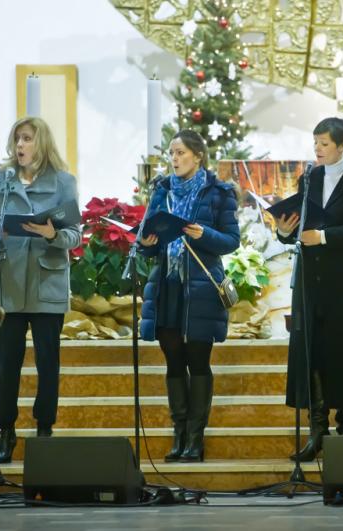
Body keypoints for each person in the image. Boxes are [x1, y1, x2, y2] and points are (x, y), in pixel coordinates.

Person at [276, 117, 343, 461]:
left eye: (324, 144)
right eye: (315, 143)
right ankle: (317, 430)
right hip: (311, 278)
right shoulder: (309, 178)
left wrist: (323, 237)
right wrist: (284, 231)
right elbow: (299, 227)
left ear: (342, 145)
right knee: (313, 350)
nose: (318, 149)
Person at [0, 117, 81, 463]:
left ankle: (44, 428)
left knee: (47, 364)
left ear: (41, 143)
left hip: (46, 283)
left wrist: (53, 234)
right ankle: (5, 430)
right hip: (9, 284)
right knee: (6, 364)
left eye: (26, 138)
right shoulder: (4, 180)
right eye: (17, 139)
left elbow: (75, 235)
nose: (20, 145)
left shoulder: (63, 181)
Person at [139, 129, 240, 462]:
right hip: (167, 286)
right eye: (171, 153)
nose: (174, 158)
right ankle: (179, 434)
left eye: (181, 152)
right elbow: (147, 241)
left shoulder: (219, 193)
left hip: (201, 288)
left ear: (198, 156)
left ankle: (196, 438)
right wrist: (147, 244)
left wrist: (203, 233)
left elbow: (231, 241)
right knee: (173, 360)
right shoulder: (162, 191)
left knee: (197, 360)